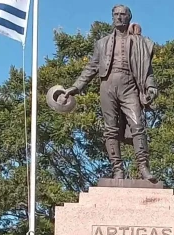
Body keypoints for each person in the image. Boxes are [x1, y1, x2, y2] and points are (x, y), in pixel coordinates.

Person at [64, 4, 158, 181]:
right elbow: (91, 68)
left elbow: (147, 69)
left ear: (129, 17)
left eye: (123, 14)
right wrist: (76, 87)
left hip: (129, 85)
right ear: (112, 17)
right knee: (110, 130)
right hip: (107, 86)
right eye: (116, 14)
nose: (119, 17)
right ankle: (117, 169)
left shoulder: (140, 43)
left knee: (137, 126)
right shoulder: (102, 43)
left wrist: (151, 86)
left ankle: (144, 168)